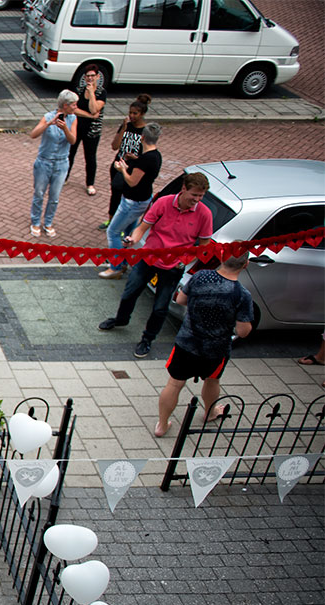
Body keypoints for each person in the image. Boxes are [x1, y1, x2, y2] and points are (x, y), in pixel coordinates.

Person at [98, 172, 215, 359]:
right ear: (184, 189)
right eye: (194, 195)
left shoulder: (204, 214)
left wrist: (183, 261)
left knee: (161, 307)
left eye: (201, 196)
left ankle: (147, 339)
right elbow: (142, 228)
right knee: (130, 293)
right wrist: (131, 240)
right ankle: (121, 320)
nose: (197, 200)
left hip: (173, 267)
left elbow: (203, 247)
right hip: (148, 258)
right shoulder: (163, 202)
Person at [154, 254, 253, 437]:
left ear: (222, 257)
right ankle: (210, 412)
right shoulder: (241, 294)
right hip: (216, 349)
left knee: (175, 384)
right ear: (245, 264)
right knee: (212, 380)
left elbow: (181, 300)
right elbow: (243, 331)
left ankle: (161, 425)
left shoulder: (201, 277)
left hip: (186, 343)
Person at [99, 122, 163, 279]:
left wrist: (122, 169)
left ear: (142, 138)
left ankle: (115, 267)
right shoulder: (155, 156)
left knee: (113, 231)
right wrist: (135, 160)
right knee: (128, 231)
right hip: (142, 199)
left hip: (132, 202)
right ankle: (124, 260)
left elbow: (132, 181)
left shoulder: (145, 160)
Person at [28, 90, 78, 238]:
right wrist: (49, 124)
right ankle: (35, 222)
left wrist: (65, 129)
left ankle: (48, 222)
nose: (76, 107)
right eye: (74, 105)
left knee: (54, 196)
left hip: (61, 163)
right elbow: (33, 134)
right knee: (39, 193)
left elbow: (73, 140)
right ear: (65, 105)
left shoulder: (73, 119)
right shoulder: (48, 117)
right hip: (44, 162)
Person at [101, 94, 151, 229]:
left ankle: (122, 226)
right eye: (130, 113)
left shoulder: (146, 131)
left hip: (132, 168)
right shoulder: (126, 126)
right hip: (118, 166)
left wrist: (136, 158)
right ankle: (111, 221)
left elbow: (148, 154)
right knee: (115, 195)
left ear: (142, 114)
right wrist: (123, 128)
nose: (132, 116)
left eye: (135, 113)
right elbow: (114, 146)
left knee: (127, 199)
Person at [67, 64, 106, 196]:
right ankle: (64, 177)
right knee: (70, 153)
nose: (90, 78)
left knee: (90, 157)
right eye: (87, 76)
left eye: (92, 76)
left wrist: (91, 93)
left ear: (97, 77)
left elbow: (95, 108)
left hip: (92, 131)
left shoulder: (101, 93)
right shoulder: (78, 90)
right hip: (77, 127)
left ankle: (90, 183)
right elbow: (74, 109)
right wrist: (89, 115)